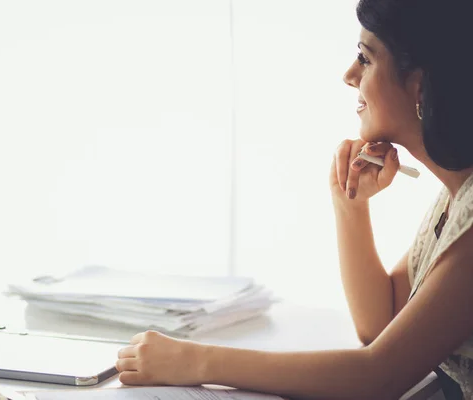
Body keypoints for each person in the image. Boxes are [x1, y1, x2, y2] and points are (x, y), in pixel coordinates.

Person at [115, 0, 473, 398]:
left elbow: (379, 376)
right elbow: (384, 322)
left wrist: (195, 362)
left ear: (419, 85)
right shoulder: (454, 198)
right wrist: (349, 203)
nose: (349, 75)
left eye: (365, 59)